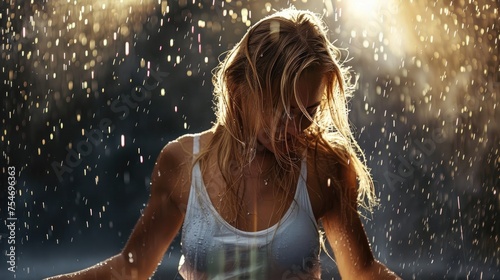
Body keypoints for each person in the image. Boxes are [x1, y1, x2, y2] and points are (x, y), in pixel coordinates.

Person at [47, 8, 400, 280]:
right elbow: (131, 269)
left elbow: (363, 273)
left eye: (310, 111)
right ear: (239, 90)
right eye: (284, 111)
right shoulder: (182, 162)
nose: (299, 128)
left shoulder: (324, 166)